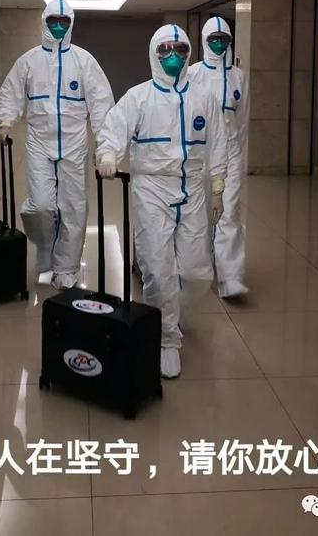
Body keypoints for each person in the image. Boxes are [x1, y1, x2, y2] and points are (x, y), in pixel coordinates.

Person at [96, 24, 227, 379]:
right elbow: (114, 129)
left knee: (198, 272)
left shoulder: (203, 98)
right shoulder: (138, 97)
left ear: (189, 53)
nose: (173, 56)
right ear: (154, 53)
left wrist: (217, 186)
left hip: (193, 190)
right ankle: (166, 338)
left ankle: (174, 310)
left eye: (180, 49)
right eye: (165, 49)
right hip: (151, 189)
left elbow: (219, 142)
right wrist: (108, 155)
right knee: (157, 268)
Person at [0, 0, 114, 289]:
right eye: (53, 21)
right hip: (39, 141)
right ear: (44, 22)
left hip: (74, 143)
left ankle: (66, 268)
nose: (58, 26)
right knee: (41, 206)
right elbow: (11, 92)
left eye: (64, 21)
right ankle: (46, 247)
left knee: (73, 207)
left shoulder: (84, 61)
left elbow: (101, 103)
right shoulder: (29, 61)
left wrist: (105, 145)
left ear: (71, 24)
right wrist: (5, 120)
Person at [188, 16, 249, 298]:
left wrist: (239, 157)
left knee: (229, 213)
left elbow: (242, 120)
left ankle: (231, 277)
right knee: (199, 212)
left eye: (223, 39)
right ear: (204, 40)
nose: (218, 44)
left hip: (231, 152)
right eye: (213, 39)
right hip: (200, 153)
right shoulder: (192, 73)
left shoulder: (239, 77)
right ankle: (201, 266)